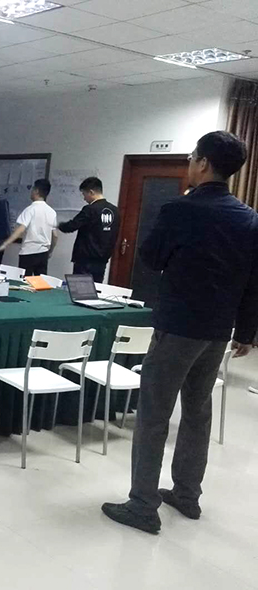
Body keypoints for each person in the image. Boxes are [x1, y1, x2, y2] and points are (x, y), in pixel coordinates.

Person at [101, 131, 258, 535]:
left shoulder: (179, 209)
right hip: (217, 331)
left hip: (178, 327)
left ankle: (142, 505)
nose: (189, 164)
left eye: (191, 158)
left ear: (203, 163)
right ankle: (187, 494)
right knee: (197, 412)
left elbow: (151, 258)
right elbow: (253, 279)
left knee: (153, 413)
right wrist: (246, 331)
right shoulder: (249, 217)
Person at [57, 177, 119, 283]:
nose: (84, 198)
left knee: (80, 289)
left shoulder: (90, 209)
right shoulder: (115, 211)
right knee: (95, 288)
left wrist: (58, 225)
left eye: (84, 194)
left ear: (91, 192)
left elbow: (72, 226)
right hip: (102, 260)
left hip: (85, 259)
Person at [0, 178, 57, 276]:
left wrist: (5, 244)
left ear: (36, 191)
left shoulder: (30, 210)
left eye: (32, 189)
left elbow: (20, 229)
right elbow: (55, 235)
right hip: (43, 253)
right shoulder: (52, 212)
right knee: (41, 282)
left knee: (25, 281)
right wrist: (50, 251)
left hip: (28, 253)